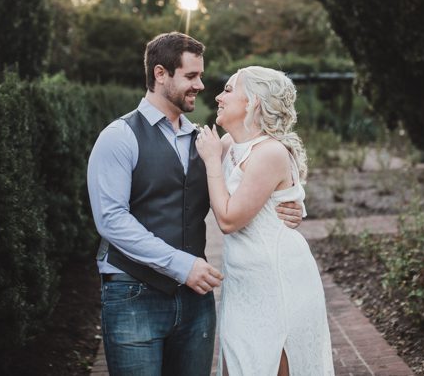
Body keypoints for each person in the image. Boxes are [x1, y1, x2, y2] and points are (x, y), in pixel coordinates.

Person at [87, 33, 303, 376]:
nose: (201, 85)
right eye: (191, 76)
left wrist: (289, 204)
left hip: (195, 301)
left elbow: (263, 159)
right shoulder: (119, 136)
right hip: (134, 296)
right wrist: (181, 265)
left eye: (200, 76)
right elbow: (111, 220)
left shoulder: (208, 142)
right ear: (160, 74)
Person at [196, 66, 334, 376]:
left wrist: (210, 160)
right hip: (242, 281)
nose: (218, 96)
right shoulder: (230, 147)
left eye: (229, 90)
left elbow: (229, 220)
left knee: (270, 364)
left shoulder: (270, 152)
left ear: (253, 102)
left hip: (276, 280)